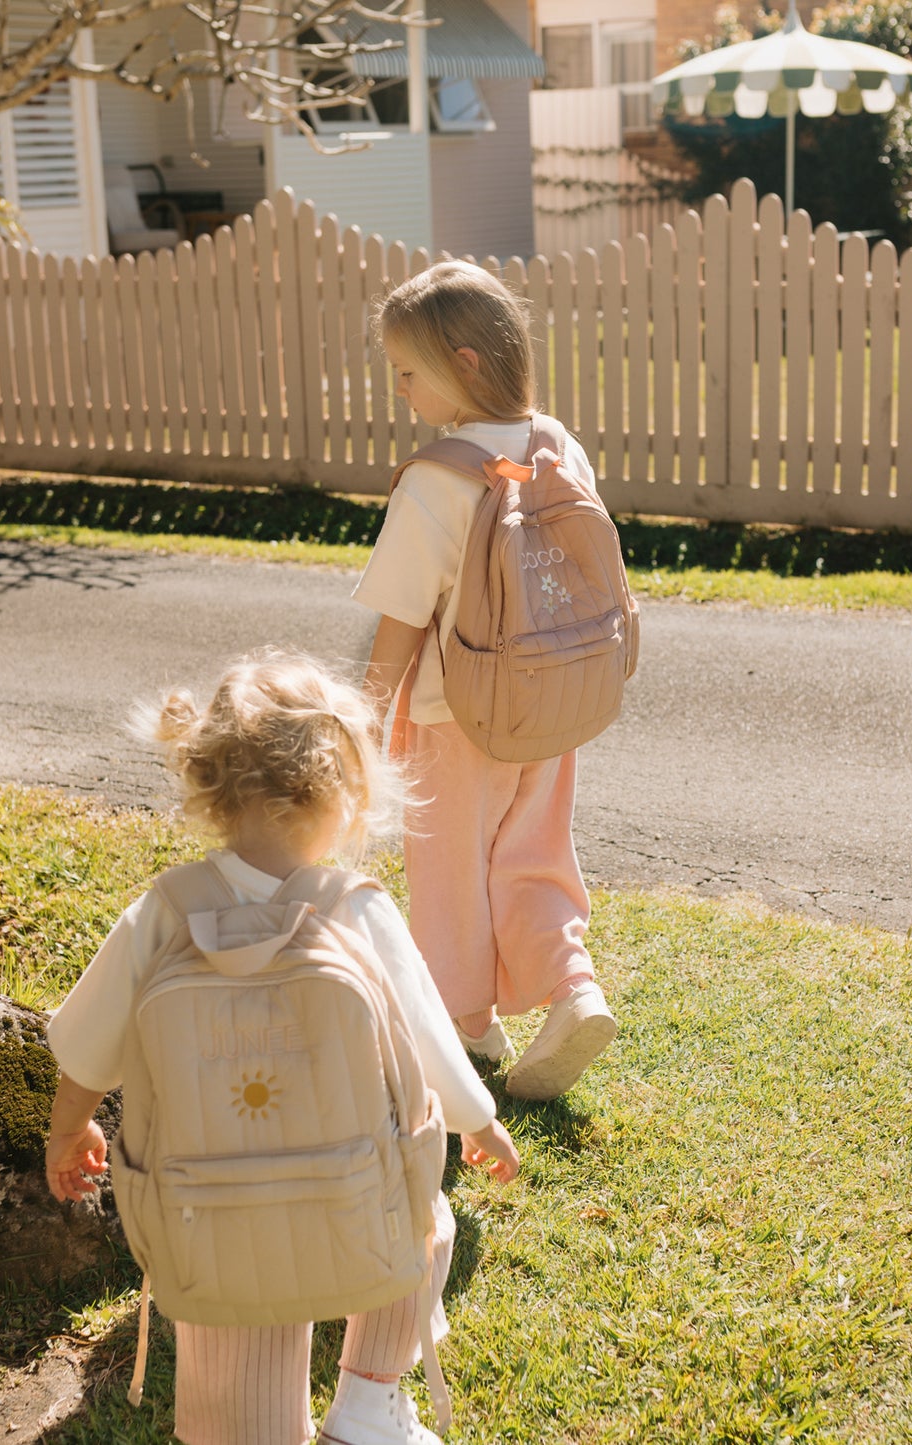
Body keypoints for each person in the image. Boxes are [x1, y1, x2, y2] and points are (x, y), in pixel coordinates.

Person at [42, 648, 520, 1445]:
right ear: (343, 794)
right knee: (417, 1226)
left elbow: (86, 1044)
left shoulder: (165, 910)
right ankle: (368, 1399)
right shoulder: (356, 910)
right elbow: (429, 1037)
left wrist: (69, 1130)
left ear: (210, 788)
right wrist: (478, 1119)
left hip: (211, 1203)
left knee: (239, 1329)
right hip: (354, 1184)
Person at [354, 259, 617, 1102]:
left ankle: (464, 1027)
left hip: (453, 716)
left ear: (462, 364)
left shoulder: (438, 477)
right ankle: (573, 989)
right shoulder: (557, 444)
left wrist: (363, 714)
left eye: (406, 372)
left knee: (449, 872)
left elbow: (401, 613)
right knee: (533, 856)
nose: (400, 391)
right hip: (553, 706)